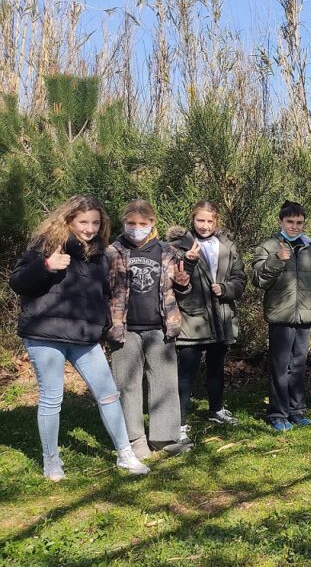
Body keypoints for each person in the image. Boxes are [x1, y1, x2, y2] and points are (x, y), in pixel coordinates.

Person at [10, 195, 150, 480]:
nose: (89, 229)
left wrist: (103, 325)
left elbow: (101, 295)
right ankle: (51, 462)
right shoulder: (46, 245)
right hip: (45, 334)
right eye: (83, 222)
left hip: (85, 337)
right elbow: (18, 282)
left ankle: (125, 454)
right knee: (52, 399)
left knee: (108, 395)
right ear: (69, 220)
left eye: (95, 223)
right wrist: (46, 266)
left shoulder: (99, 254)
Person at [107, 199, 193, 457]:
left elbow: (180, 291)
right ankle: (135, 439)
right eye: (131, 223)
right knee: (127, 385)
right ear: (124, 223)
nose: (136, 228)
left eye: (142, 223)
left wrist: (183, 284)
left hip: (160, 327)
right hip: (124, 329)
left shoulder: (167, 251)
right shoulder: (112, 251)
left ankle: (164, 438)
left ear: (152, 223)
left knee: (165, 383)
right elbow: (102, 289)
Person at [167, 200, 247, 429]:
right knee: (187, 370)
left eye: (209, 221)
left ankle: (216, 409)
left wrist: (226, 289)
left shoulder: (227, 245)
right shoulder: (179, 246)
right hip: (191, 316)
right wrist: (189, 263)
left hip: (221, 315)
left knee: (216, 367)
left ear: (216, 221)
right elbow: (175, 280)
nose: (204, 225)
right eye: (200, 220)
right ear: (192, 219)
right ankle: (179, 421)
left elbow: (240, 278)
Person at [251, 200, 311, 432]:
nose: (295, 226)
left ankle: (296, 410)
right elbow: (258, 280)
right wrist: (276, 259)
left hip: (305, 315)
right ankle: (278, 412)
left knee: (298, 365)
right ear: (281, 222)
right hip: (281, 315)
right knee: (280, 366)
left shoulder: (308, 247)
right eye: (290, 222)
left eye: (299, 222)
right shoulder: (269, 246)